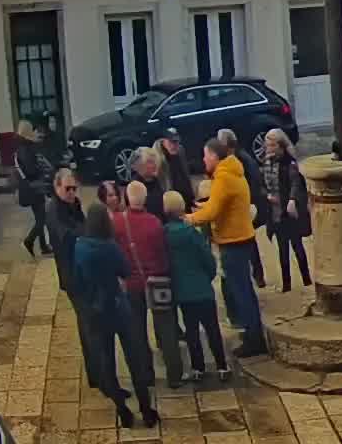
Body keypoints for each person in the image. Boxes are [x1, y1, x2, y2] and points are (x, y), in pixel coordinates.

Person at [77, 202, 159, 428]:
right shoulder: (109, 247)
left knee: (107, 362)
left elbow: (79, 277)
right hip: (117, 306)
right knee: (134, 359)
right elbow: (124, 270)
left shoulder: (80, 247)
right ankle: (146, 409)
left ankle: (123, 411)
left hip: (96, 310)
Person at [186, 138, 267, 358]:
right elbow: (219, 204)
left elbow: (212, 212)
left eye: (205, 155)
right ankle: (254, 333)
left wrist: (190, 218)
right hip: (242, 237)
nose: (203, 160)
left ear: (214, 156)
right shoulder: (233, 171)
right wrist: (207, 206)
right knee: (245, 290)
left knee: (241, 292)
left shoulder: (223, 177)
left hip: (233, 241)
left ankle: (254, 339)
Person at [114, 180, 182, 390]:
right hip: (157, 282)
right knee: (167, 328)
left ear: (127, 198)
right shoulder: (154, 222)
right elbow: (163, 255)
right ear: (145, 199)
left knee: (137, 331)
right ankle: (175, 375)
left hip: (131, 285)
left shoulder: (117, 222)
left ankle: (146, 376)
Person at [163, 190, 230, 383]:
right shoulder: (192, 233)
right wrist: (207, 278)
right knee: (212, 329)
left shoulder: (165, 235)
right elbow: (208, 260)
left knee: (191, 331)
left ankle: (198, 368)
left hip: (183, 293)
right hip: (202, 290)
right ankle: (222, 366)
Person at [46, 167, 102, 388]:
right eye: (67, 189)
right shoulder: (53, 211)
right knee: (88, 324)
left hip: (84, 271)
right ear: (57, 187)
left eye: (74, 188)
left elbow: (84, 227)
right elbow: (68, 237)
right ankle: (97, 375)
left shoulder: (74, 204)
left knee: (91, 323)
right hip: (73, 276)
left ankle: (97, 373)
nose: (71, 193)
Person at [216, 128, 269, 288]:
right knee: (249, 243)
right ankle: (256, 275)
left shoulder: (240, 160)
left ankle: (255, 275)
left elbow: (252, 183)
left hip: (245, 207)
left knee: (247, 243)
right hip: (244, 206)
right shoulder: (240, 157)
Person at [261, 128, 313, 292]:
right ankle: (287, 284)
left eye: (272, 145)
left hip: (289, 212)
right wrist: (267, 196)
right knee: (282, 249)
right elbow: (263, 185)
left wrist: (291, 201)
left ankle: (306, 279)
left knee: (297, 246)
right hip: (275, 212)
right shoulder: (266, 163)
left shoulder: (289, 164)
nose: (268, 148)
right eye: (267, 145)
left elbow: (295, 184)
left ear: (280, 146)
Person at [15, 120, 54, 257]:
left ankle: (43, 246)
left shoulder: (22, 147)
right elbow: (31, 170)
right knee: (42, 219)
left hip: (30, 187)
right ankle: (29, 240)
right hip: (33, 188)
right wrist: (41, 170)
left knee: (40, 217)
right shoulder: (25, 149)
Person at [156, 134, 196, 215]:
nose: (174, 145)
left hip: (185, 200)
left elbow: (185, 175)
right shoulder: (158, 157)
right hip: (171, 203)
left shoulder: (180, 151)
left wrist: (191, 196)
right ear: (163, 141)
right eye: (171, 142)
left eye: (176, 142)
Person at [130, 147, 168, 220]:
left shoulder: (157, 181)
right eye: (150, 162)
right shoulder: (134, 187)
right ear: (140, 164)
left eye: (155, 161)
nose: (155, 165)